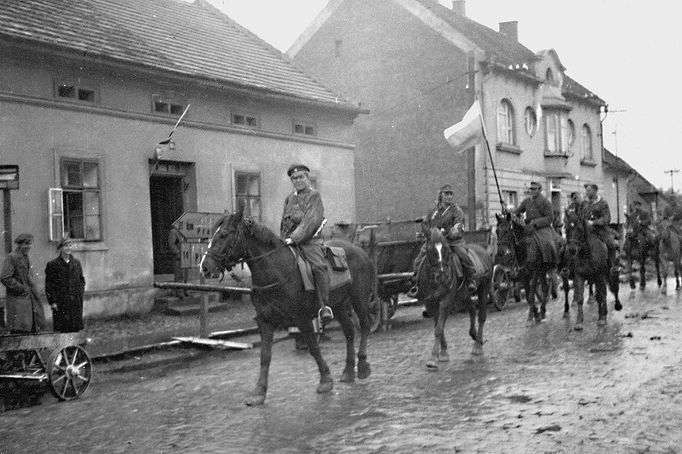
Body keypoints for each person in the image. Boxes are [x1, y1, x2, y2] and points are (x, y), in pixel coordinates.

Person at [280, 163, 333, 321]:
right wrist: (282, 240)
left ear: (307, 178)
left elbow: (311, 220)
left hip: (310, 241)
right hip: (289, 241)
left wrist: (294, 238)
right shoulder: (289, 199)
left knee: (318, 267)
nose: (298, 180)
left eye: (301, 177)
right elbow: (284, 221)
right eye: (294, 178)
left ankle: (325, 306)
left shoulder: (314, 196)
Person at [411, 184, 477, 294]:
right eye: (446, 193)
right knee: (419, 259)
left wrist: (452, 232)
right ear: (440, 195)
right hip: (434, 241)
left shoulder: (457, 211)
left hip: (452, 241)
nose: (449, 196)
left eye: (451, 194)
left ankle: (470, 280)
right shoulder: (433, 211)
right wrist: (423, 233)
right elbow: (427, 224)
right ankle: (417, 283)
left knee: (463, 255)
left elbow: (458, 226)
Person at [0, 233, 46, 333]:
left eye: (30, 244)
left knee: (30, 329)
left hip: (29, 301)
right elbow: (5, 277)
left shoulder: (26, 257)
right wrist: (22, 288)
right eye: (26, 244)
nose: (29, 246)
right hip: (18, 302)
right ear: (20, 244)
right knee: (19, 331)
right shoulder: (12, 257)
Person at [45, 237, 85, 333]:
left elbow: (81, 280)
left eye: (70, 245)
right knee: (63, 329)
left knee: (75, 329)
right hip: (61, 303)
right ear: (60, 248)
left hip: (75, 302)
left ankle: (75, 347)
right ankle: (64, 348)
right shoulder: (53, 264)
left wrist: (79, 294)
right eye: (66, 246)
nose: (68, 248)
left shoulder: (76, 263)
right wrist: (53, 302)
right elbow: (49, 285)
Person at [514, 181, 558, 265]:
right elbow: (518, 211)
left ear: (540, 189)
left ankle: (550, 266)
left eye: (535, 189)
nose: (532, 191)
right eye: (531, 189)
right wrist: (508, 212)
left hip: (542, 228)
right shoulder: (527, 201)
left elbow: (550, 218)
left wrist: (535, 222)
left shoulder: (546, 202)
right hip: (528, 229)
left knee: (548, 243)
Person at [582, 183, 621, 275]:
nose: (586, 192)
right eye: (586, 190)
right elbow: (581, 215)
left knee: (610, 244)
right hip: (586, 230)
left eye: (589, 190)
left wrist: (594, 222)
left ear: (595, 191)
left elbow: (606, 218)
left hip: (600, 230)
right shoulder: (584, 203)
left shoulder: (602, 203)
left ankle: (612, 267)